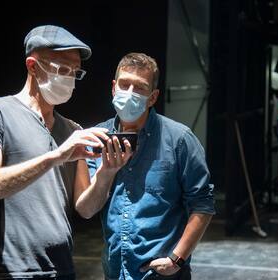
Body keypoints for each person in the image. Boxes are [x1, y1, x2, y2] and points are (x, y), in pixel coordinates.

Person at [0, 25, 130, 279]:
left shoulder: (72, 129)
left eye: (75, 72)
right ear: (32, 66)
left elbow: (85, 208)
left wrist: (107, 173)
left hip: (60, 270)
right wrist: (56, 157)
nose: (69, 78)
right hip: (8, 272)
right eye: (62, 69)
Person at [83, 53, 215, 280]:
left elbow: (202, 205)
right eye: (124, 85)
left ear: (153, 97)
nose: (130, 93)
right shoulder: (97, 138)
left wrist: (177, 258)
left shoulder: (179, 139)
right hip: (115, 270)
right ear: (114, 88)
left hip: (162, 273)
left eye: (140, 88)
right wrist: (106, 171)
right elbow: (87, 209)